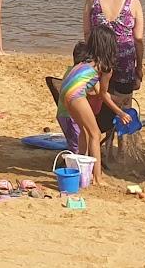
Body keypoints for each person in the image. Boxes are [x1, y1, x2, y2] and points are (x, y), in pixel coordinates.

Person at [85, 0, 145, 118]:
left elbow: (87, 33)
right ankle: (122, 136)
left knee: (99, 103)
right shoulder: (134, 2)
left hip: (99, 59)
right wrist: (139, 68)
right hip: (124, 61)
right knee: (124, 105)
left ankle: (100, 136)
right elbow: (138, 39)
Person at [55, 36, 119, 183]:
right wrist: (120, 111)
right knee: (95, 134)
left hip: (64, 94)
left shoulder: (84, 63)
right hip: (75, 95)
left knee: (83, 132)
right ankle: (97, 178)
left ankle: (80, 171)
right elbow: (102, 94)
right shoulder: (105, 68)